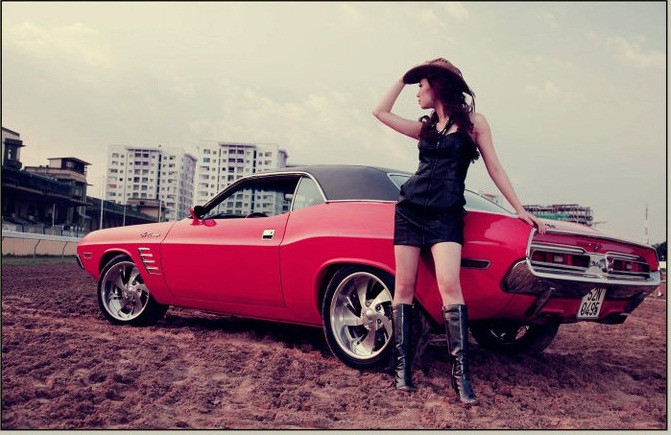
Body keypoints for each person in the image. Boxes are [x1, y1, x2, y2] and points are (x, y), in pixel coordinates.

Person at [372, 58, 546, 404]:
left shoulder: (474, 123)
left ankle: (461, 376)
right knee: (403, 288)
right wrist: (404, 77)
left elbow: (495, 167)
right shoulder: (425, 128)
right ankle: (403, 370)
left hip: (446, 215)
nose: (417, 93)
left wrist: (519, 209)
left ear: (437, 86)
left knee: (450, 286)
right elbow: (380, 111)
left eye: (421, 86)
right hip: (410, 211)